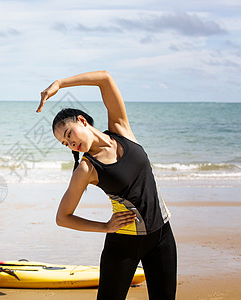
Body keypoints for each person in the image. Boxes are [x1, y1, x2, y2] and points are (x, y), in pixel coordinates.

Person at [36, 71, 177, 299]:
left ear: (82, 120)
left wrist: (60, 84)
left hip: (162, 236)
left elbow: (104, 79)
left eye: (69, 134)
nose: (71, 143)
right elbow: (62, 217)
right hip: (124, 245)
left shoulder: (121, 129)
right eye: (65, 143)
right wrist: (104, 226)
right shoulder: (87, 169)